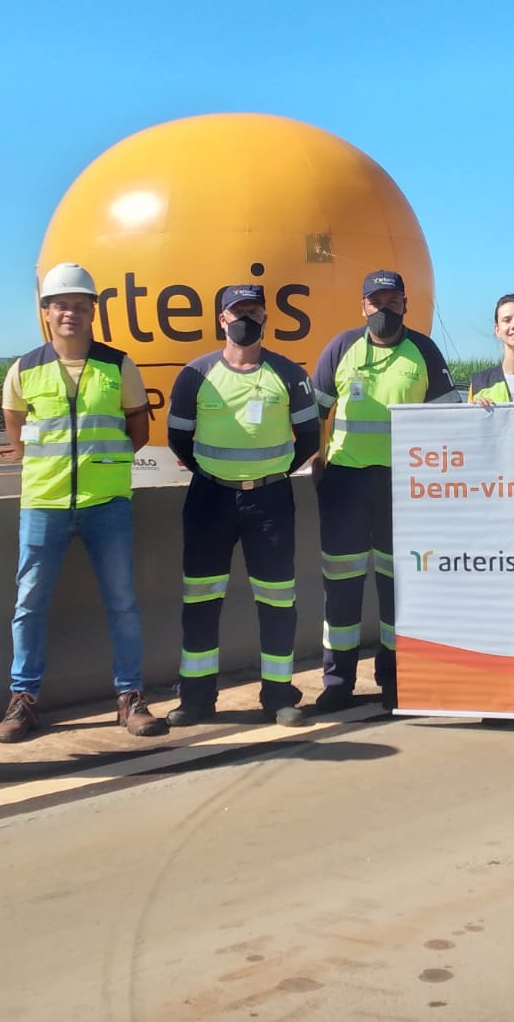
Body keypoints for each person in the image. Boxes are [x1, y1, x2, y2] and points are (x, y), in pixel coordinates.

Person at [0, 262, 167, 742]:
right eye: (60, 305)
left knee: (123, 603)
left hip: (106, 503)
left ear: (94, 311)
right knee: (28, 604)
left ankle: (130, 699)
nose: (70, 313)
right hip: (43, 504)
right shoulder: (25, 368)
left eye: (79, 305)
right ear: (46, 312)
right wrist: (45, 467)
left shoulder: (117, 365)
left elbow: (138, 426)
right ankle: (22, 700)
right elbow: (15, 425)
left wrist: (103, 468)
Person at [163, 285, 322, 727]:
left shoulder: (290, 375)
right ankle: (195, 699)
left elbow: (309, 438)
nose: (245, 318)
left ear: (266, 317)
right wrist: (214, 473)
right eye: (237, 311)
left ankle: (279, 695)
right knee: (200, 599)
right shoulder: (195, 374)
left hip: (270, 501)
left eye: (253, 310)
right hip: (209, 499)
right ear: (221, 319)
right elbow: (178, 438)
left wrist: (272, 474)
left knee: (276, 600)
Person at [310, 270, 459, 711]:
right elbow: (312, 413)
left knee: (401, 586)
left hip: (405, 487)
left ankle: (396, 679)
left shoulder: (424, 351)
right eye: (376, 302)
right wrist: (318, 460)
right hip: (344, 484)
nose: (384, 310)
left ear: (406, 306)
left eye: (393, 302)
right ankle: (338, 682)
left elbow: (448, 421)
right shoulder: (341, 348)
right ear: (363, 307)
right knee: (341, 584)